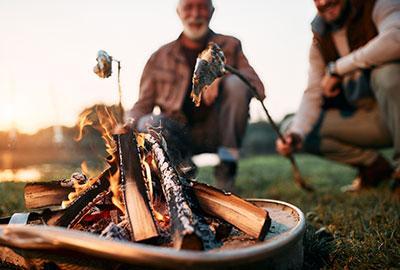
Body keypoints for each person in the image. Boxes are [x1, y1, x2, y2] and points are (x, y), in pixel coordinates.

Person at [126, 0, 265, 191]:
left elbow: (258, 88)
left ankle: (227, 167)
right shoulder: (160, 56)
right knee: (145, 122)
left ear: (212, 11)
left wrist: (222, 77)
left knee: (237, 85)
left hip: (219, 131)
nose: (195, 14)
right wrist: (126, 124)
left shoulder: (231, 45)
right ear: (179, 12)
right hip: (177, 132)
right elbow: (143, 105)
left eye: (202, 7)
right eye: (188, 7)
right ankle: (181, 172)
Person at [276, 0, 400, 193]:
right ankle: (374, 167)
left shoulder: (379, 4)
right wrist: (296, 133)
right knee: (291, 127)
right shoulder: (320, 38)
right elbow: (313, 92)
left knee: (387, 74)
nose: (325, 2)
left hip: (394, 109)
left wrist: (337, 69)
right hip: (369, 121)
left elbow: (396, 39)